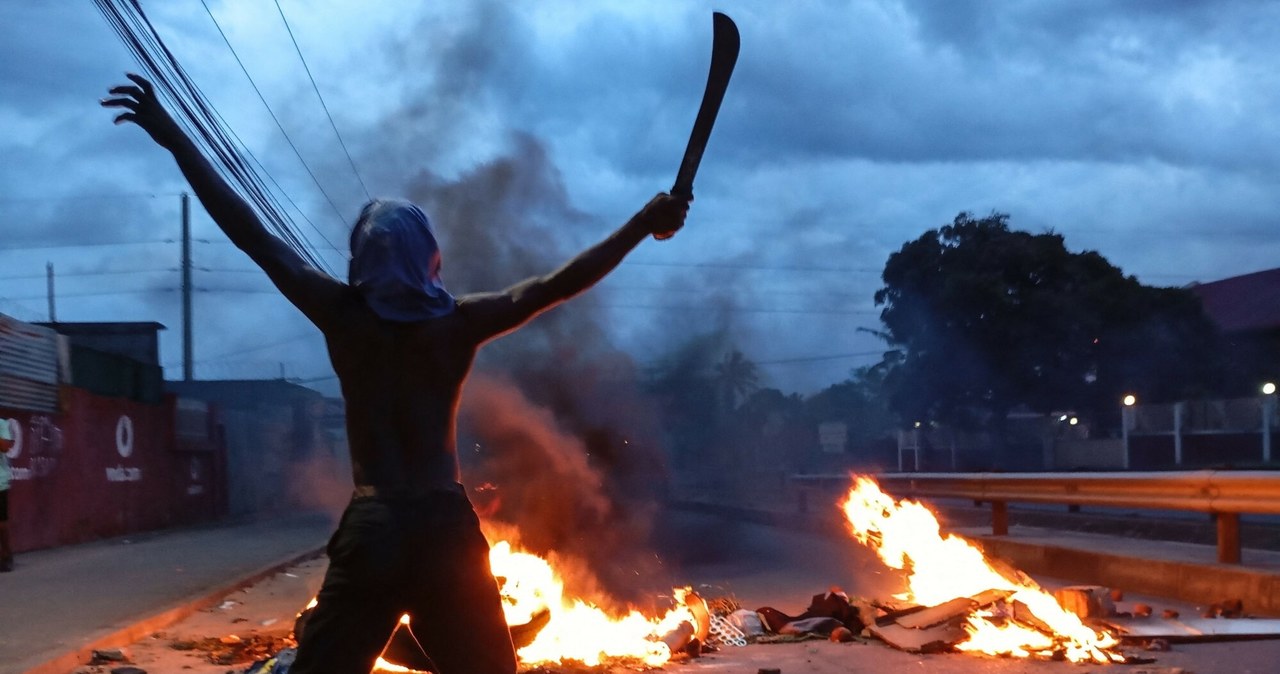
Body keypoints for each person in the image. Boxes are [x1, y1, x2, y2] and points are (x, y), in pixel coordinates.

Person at [103, 73, 689, 674]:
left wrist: (173, 136)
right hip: (443, 529)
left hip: (375, 528)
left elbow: (251, 233)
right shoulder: (457, 325)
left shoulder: (342, 316)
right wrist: (644, 221)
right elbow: (557, 284)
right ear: (429, 259)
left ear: (361, 258)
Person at [0, 418, 14, 572]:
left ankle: (6, 555)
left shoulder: (2, 424)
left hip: (0, 481)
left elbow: (4, 447)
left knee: (1, 524)